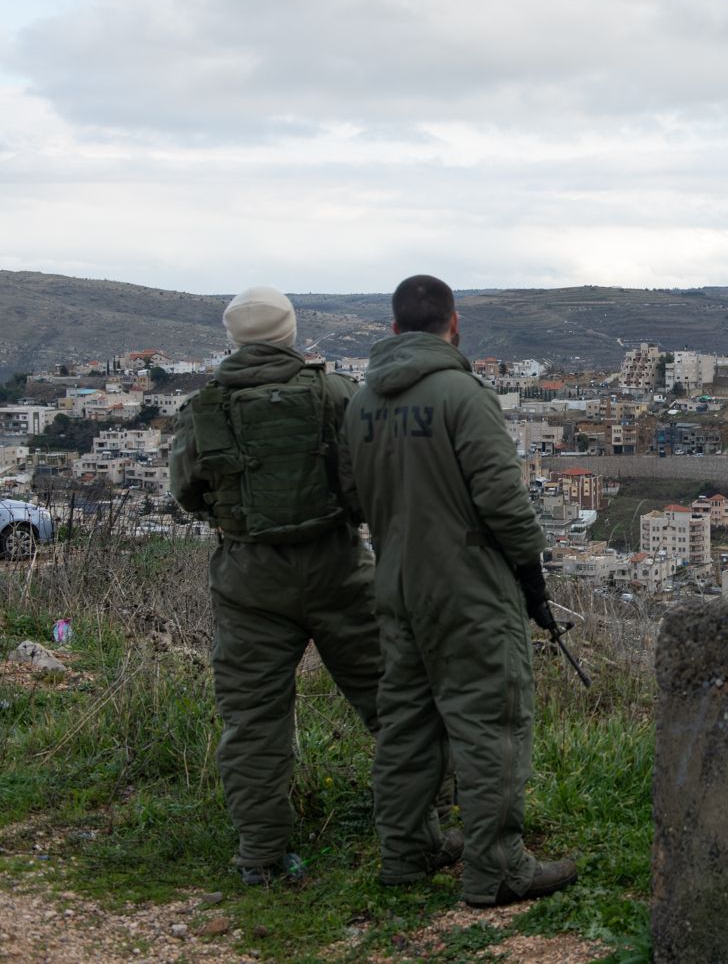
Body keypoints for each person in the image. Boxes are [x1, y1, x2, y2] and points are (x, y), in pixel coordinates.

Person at [168, 286, 450, 886]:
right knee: (393, 700)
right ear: (291, 334)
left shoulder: (205, 409)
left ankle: (262, 859)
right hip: (338, 567)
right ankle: (432, 825)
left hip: (249, 577)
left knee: (254, 721)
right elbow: (366, 481)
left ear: (235, 340)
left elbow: (187, 493)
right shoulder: (335, 394)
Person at [339, 274, 576, 903]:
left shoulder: (361, 404)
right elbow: (502, 499)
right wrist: (529, 568)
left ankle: (406, 851)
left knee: (407, 723)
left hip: (394, 581)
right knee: (489, 721)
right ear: (455, 323)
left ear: (392, 330)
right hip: (468, 585)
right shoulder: (462, 395)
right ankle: (496, 869)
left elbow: (352, 494)